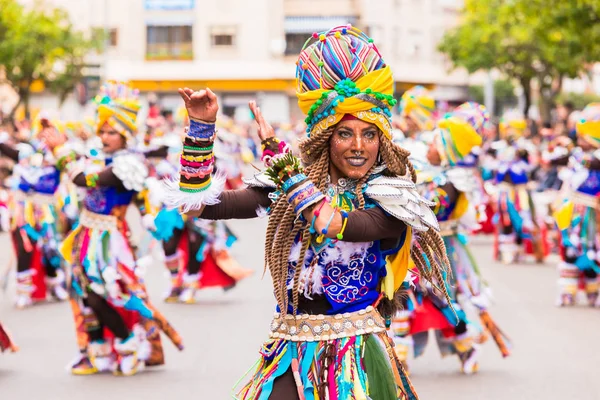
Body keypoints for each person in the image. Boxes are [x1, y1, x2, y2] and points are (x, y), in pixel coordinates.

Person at [167, 26, 452, 400]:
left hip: (357, 355)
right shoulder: (291, 188)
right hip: (289, 345)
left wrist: (284, 168)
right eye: (345, 134)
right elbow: (202, 204)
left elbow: (335, 223)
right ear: (324, 138)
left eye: (370, 135)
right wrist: (201, 131)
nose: (358, 146)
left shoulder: (392, 196)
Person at [56, 84, 183, 376]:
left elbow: (85, 180)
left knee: (106, 292)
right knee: (82, 293)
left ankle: (129, 342)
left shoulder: (129, 164)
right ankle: (97, 350)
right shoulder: (99, 157)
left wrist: (58, 149)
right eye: (102, 131)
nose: (104, 137)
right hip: (83, 235)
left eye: (111, 132)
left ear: (124, 134)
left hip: (109, 241)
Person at [392, 103, 511, 375]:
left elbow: (432, 209)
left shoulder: (454, 180)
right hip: (411, 248)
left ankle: (466, 346)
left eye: (436, 142)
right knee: (403, 298)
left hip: (439, 250)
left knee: (443, 301)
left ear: (446, 149)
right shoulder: (420, 167)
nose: (429, 146)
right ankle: (400, 357)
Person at [0, 118, 70, 308]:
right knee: (25, 249)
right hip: (25, 210)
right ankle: (24, 292)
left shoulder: (62, 155)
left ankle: (55, 283)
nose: (45, 134)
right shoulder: (25, 151)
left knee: (51, 249)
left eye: (50, 130)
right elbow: (6, 149)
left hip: (47, 210)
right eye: (42, 130)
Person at [553, 103, 600, 307]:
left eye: (585, 137)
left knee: (593, 250)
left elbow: (593, 163)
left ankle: (593, 290)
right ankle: (567, 290)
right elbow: (560, 164)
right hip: (574, 210)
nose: (581, 141)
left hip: (594, 212)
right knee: (571, 248)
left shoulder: (594, 158)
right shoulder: (576, 156)